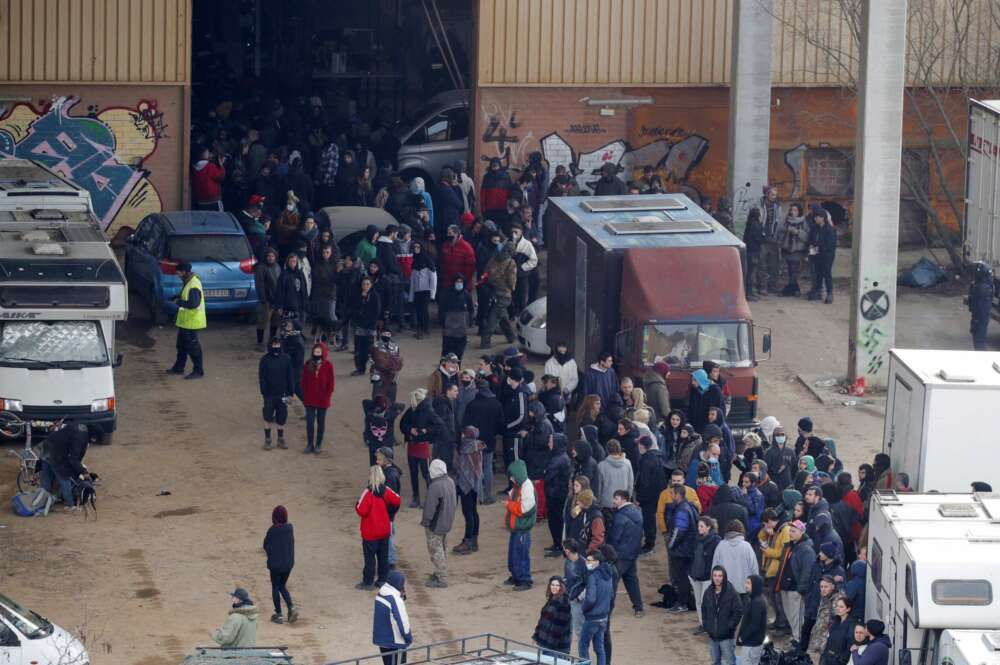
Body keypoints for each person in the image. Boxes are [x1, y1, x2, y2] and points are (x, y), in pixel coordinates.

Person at [356, 465, 401, 590]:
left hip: (370, 531)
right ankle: (382, 579)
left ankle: (368, 581)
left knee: (369, 558)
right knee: (383, 556)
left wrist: (356, 504)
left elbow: (361, 511)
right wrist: (389, 511)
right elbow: (397, 500)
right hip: (384, 530)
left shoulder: (368, 492)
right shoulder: (386, 490)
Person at [661, 483, 699, 614]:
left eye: (672, 493)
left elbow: (679, 531)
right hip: (688, 549)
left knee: (681, 578)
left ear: (678, 494)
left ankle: (683, 603)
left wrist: (670, 545)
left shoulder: (682, 510)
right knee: (685, 578)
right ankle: (687, 602)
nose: (670, 496)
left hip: (681, 551)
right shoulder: (689, 506)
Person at [777, 520, 815, 645]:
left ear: (801, 532)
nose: (790, 533)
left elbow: (807, 570)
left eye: (793, 531)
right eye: (790, 531)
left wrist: (801, 588)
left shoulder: (806, 549)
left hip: (795, 588)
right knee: (789, 615)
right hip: (785, 586)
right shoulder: (790, 545)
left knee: (796, 617)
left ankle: (798, 640)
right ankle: (795, 637)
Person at [607, 490, 644, 616]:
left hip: (620, 554)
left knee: (612, 581)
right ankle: (639, 607)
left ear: (623, 499)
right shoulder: (637, 511)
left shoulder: (620, 516)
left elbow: (615, 537)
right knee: (631, 580)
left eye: (616, 499)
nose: (613, 501)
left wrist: (609, 553)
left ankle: (608, 609)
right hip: (632, 552)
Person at [420, 459, 456, 588]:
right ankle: (439, 572)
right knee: (443, 546)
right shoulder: (450, 481)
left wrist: (426, 521)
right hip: (447, 520)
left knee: (435, 548)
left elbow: (430, 507)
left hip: (435, 523)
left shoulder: (435, 486)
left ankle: (441, 576)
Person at [166, 262, 206, 379]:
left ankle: (198, 371)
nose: (177, 274)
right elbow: (187, 298)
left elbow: (193, 304)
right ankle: (178, 368)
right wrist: (177, 298)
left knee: (193, 348)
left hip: (192, 322)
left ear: (184, 272)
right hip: (185, 322)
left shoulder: (193, 284)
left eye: (178, 272)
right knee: (181, 346)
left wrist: (178, 302)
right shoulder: (188, 281)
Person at [480, 230, 517, 348]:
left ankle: (510, 336)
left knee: (501, 315)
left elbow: (486, 270)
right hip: (504, 294)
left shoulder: (494, 257)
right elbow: (512, 281)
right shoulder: (511, 262)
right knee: (495, 317)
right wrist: (512, 288)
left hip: (493, 291)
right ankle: (485, 341)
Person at [504, 459, 537, 590]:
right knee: (513, 553)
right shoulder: (520, 485)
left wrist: (510, 505)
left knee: (521, 553)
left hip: (522, 528)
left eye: (513, 475)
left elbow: (525, 509)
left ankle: (524, 579)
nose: (511, 478)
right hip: (516, 527)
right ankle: (516, 575)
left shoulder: (527, 487)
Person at [758, 509, 792, 633]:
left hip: (778, 570)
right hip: (771, 569)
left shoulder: (785, 530)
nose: (764, 526)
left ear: (770, 521)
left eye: (765, 524)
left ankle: (783, 625)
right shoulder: (776, 529)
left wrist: (767, 551)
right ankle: (778, 621)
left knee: (778, 599)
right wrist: (765, 531)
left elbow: (782, 553)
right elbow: (760, 537)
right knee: (773, 598)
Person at [258, 337, 295, 450]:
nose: (276, 347)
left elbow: (290, 377)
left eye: (277, 345)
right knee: (267, 417)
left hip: (283, 394)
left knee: (281, 417)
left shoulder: (286, 359)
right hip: (269, 395)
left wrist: (291, 393)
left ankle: (280, 439)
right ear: (270, 346)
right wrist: (264, 392)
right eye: (273, 345)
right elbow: (262, 377)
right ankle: (267, 440)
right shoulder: (264, 360)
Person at [263, 505, 298, 624]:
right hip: (288, 565)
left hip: (276, 566)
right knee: (282, 586)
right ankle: (291, 607)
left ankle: (278, 614)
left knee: (275, 587)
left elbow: (266, 545)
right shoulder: (290, 528)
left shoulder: (272, 530)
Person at [453, 426, 484, 555]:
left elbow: (459, 466)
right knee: (473, 511)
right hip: (475, 483)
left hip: (466, 484)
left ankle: (468, 542)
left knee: (468, 513)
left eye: (463, 434)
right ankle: (474, 540)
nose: (461, 436)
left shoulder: (466, 448)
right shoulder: (478, 445)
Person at [702, 566, 743, 665]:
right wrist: (707, 626)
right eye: (715, 575)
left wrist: (728, 627)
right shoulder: (708, 592)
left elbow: (738, 612)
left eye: (720, 576)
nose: (717, 578)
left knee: (730, 662)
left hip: (727, 638)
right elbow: (704, 610)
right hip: (713, 636)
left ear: (724, 577)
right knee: (715, 661)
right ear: (712, 577)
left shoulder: (732, 593)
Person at [579, 550, 614, 665]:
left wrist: (583, 609)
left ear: (597, 562)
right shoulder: (608, 575)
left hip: (592, 618)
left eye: (589, 560)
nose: (587, 563)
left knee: (583, 645)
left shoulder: (593, 577)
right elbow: (611, 594)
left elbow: (590, 599)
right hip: (604, 617)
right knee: (599, 648)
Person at [635, 436, 667, 554]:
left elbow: (644, 482)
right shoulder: (656, 457)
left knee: (649, 521)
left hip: (648, 497)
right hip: (657, 494)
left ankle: (649, 545)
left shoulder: (646, 461)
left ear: (642, 446)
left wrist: (639, 498)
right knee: (651, 520)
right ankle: (650, 543)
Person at [373, 570, 413, 665]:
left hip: (382, 641)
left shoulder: (380, 594)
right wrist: (408, 638)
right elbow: (403, 623)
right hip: (395, 643)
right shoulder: (395, 600)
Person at [301, 342, 334, 453]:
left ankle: (318, 444)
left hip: (322, 400)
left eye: (319, 352)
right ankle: (310, 444)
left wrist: (327, 396)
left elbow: (331, 383)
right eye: (315, 352)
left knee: (321, 423)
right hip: (310, 399)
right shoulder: (307, 364)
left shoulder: (328, 365)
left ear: (323, 353)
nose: (317, 354)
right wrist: (305, 395)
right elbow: (304, 381)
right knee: (310, 423)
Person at [711, 520, 759, 595]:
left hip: (724, 589)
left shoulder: (721, 545)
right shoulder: (747, 546)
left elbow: (714, 567)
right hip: (744, 588)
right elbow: (754, 568)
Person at [375, 447, 404, 568]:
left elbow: (391, 499)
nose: (377, 461)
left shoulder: (390, 475)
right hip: (387, 513)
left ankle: (390, 563)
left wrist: (386, 512)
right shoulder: (388, 471)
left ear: (386, 460)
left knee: (388, 537)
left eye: (379, 459)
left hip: (387, 513)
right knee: (389, 536)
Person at [533, 576, 573, 656]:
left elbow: (559, 627)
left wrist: (549, 646)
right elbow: (543, 621)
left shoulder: (563, 602)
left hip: (555, 646)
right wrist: (536, 636)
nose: (554, 587)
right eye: (552, 585)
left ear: (561, 587)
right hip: (547, 643)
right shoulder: (552, 598)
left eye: (557, 585)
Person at [353, 276, 383, 376]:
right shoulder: (357, 296)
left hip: (370, 327)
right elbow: (354, 309)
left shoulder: (375, 296)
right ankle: (360, 368)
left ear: (371, 285)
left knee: (370, 349)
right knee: (358, 349)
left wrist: (372, 323)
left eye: (367, 284)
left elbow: (377, 311)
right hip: (359, 326)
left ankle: (375, 368)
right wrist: (362, 298)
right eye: (363, 284)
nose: (365, 286)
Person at [440, 274, 475, 360]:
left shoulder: (467, 295)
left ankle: (457, 370)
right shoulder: (446, 294)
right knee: (446, 352)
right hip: (449, 330)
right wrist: (443, 323)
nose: (459, 284)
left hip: (461, 330)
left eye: (461, 282)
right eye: (457, 282)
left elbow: (471, 310)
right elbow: (441, 310)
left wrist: (469, 323)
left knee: (459, 353)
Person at [781, 203, 811, 296]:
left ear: (799, 211)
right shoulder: (787, 220)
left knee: (794, 269)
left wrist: (797, 232)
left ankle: (792, 288)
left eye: (795, 210)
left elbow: (807, 236)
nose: (792, 212)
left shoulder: (803, 221)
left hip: (798, 250)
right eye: (791, 210)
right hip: (787, 248)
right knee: (790, 269)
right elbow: (781, 232)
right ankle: (793, 288)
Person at [254, 248, 281, 348]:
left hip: (276, 300)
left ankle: (272, 340)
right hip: (266, 300)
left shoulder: (277, 267)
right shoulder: (261, 268)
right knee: (262, 322)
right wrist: (263, 298)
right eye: (269, 256)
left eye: (272, 256)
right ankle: (260, 343)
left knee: (275, 322)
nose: (270, 258)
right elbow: (259, 284)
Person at [809, 208, 837, 303]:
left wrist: (821, 250)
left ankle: (830, 293)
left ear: (823, 218)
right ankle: (818, 292)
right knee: (818, 274)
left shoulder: (830, 230)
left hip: (826, 256)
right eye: (815, 217)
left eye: (817, 217)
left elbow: (831, 245)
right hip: (816, 256)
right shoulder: (814, 228)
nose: (815, 219)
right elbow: (811, 242)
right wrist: (812, 255)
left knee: (827, 274)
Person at [808, 576, 839, 662]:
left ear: (832, 586)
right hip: (819, 639)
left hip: (827, 642)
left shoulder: (837, 601)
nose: (823, 589)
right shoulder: (825, 598)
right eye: (821, 587)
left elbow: (836, 620)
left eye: (826, 586)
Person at [596, 440, 634, 509]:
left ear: (607, 450)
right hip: (623, 502)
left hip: (606, 504)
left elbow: (599, 487)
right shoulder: (627, 463)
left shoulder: (601, 466)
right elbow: (630, 484)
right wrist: (627, 499)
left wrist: (598, 502)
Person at [740, 575, 768, 665]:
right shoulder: (757, 599)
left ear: (755, 585)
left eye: (748, 583)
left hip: (752, 642)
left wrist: (742, 637)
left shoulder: (757, 602)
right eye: (746, 582)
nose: (746, 585)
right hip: (754, 641)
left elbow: (754, 625)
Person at [970, 261, 994, 350]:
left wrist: (976, 320)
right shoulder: (984, 285)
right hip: (980, 318)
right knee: (978, 340)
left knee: (979, 342)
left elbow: (980, 308)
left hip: (980, 318)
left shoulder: (982, 288)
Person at [742, 208, 764, 300]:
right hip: (754, 251)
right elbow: (759, 238)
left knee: (749, 273)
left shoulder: (749, 224)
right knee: (751, 273)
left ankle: (750, 292)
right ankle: (749, 293)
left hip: (749, 251)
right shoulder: (756, 225)